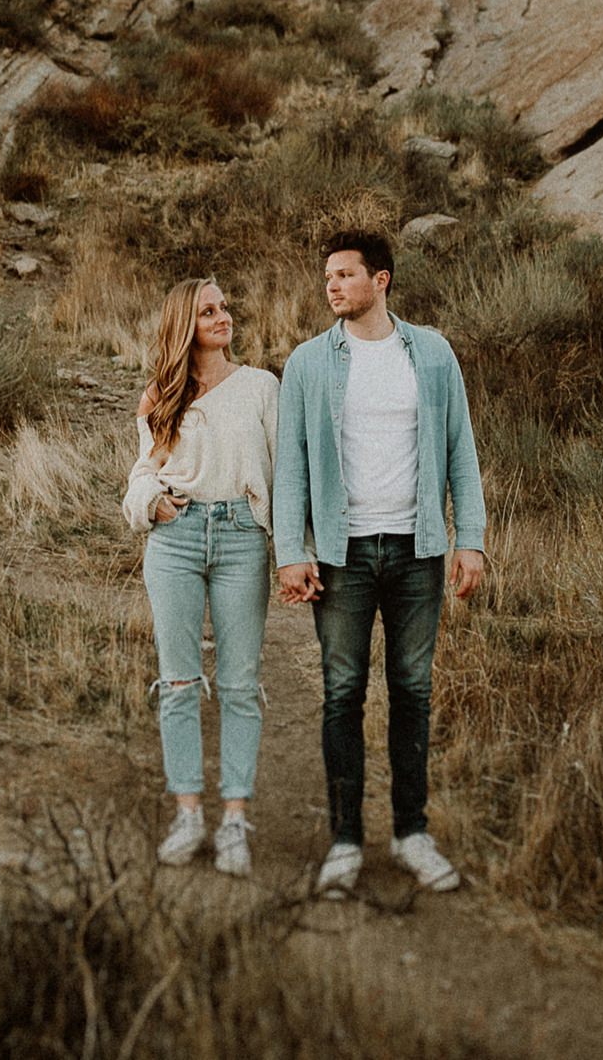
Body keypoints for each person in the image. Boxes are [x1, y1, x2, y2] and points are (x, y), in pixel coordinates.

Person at [273, 229, 486, 898]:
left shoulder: (432, 354)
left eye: (345, 274)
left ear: (381, 279)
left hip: (418, 551)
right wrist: (291, 552)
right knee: (343, 693)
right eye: (327, 276)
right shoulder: (309, 362)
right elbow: (290, 465)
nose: (332, 285)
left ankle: (410, 834)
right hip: (344, 556)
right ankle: (344, 842)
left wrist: (471, 538)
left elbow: (460, 449)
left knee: (413, 691)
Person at [124, 277, 279, 876]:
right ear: (184, 325)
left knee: (240, 684)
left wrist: (296, 552)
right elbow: (142, 472)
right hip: (176, 540)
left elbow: (284, 473)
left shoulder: (261, 386)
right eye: (208, 311)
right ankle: (188, 815)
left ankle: (234, 819)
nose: (223, 317)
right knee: (179, 681)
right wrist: (150, 503)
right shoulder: (160, 396)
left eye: (224, 307)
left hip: (242, 537)